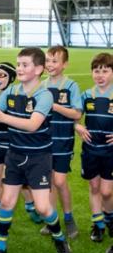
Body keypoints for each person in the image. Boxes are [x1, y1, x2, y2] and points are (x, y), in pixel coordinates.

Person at [0, 47, 72, 253]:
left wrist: (2, 117)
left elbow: (33, 125)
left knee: (43, 207)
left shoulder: (45, 95)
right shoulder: (11, 91)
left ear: (39, 69)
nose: (19, 68)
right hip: (15, 155)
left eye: (25, 65)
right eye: (18, 64)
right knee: (6, 202)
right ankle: (0, 247)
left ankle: (60, 240)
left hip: (38, 159)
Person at [39, 45, 82, 239]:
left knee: (60, 180)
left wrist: (54, 105)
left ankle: (69, 218)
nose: (50, 64)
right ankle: (52, 219)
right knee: (49, 182)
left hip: (63, 141)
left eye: (55, 61)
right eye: (48, 60)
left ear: (64, 64)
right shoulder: (41, 85)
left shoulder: (71, 85)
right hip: (44, 142)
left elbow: (77, 113)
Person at [75, 52, 113, 253]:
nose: (100, 75)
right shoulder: (86, 95)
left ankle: (109, 220)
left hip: (110, 152)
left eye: (105, 71)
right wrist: (77, 126)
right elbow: (75, 115)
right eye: (97, 71)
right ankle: (98, 224)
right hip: (90, 149)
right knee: (94, 186)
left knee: (107, 191)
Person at [0, 62, 16, 222]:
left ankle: (29, 206)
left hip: (13, 144)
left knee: (11, 179)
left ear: (11, 77)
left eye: (2, 75)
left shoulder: (16, 97)